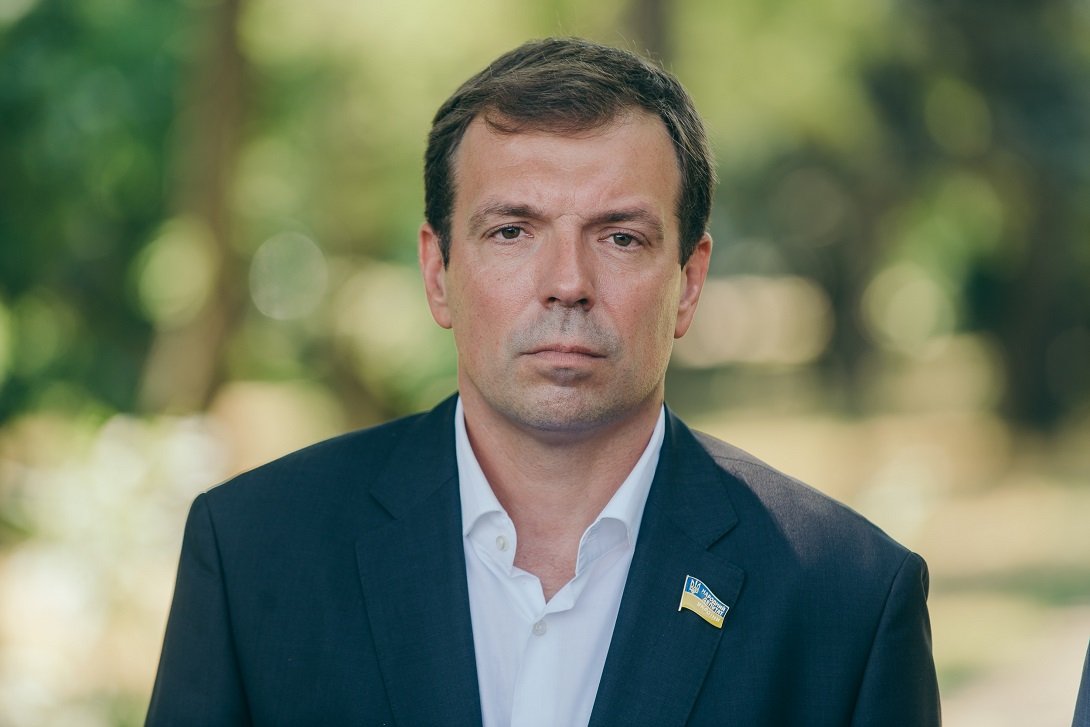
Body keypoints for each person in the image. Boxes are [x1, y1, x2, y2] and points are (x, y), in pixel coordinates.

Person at [147, 37, 941, 725]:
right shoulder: (254, 552)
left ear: (689, 283)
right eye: (512, 231)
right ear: (437, 271)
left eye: (620, 236)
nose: (567, 282)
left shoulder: (849, 599)